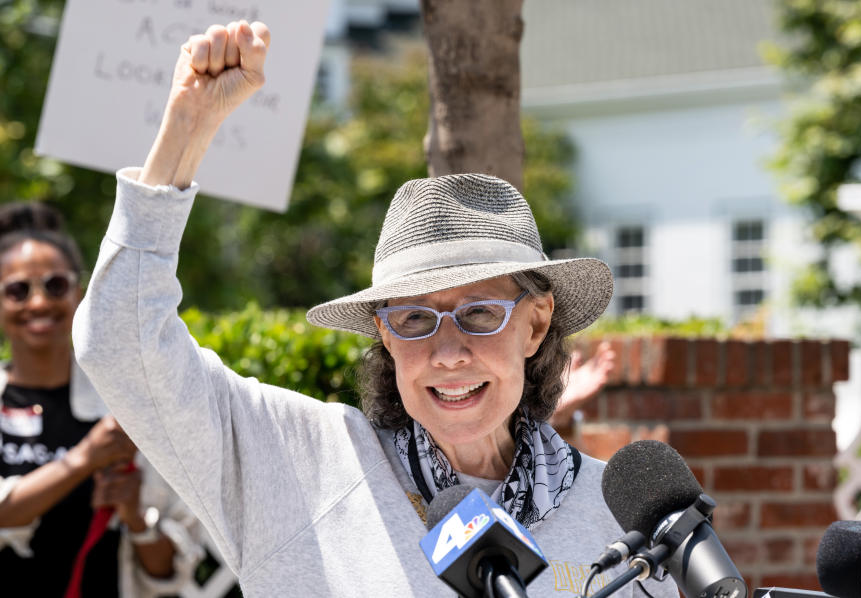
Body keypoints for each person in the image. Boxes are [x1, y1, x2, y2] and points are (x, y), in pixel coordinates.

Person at [72, 21, 679, 597]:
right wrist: (185, 131)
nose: (447, 353)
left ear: (536, 324)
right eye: (414, 319)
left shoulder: (620, 515)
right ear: (385, 337)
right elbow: (121, 343)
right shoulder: (298, 461)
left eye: (478, 314)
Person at [0, 202, 202, 596]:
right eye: (17, 290)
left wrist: (135, 518)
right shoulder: (103, 436)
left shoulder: (126, 407)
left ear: (79, 291)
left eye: (55, 285)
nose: (39, 303)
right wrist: (83, 459)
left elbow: (168, 575)